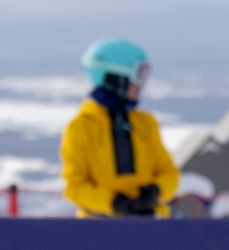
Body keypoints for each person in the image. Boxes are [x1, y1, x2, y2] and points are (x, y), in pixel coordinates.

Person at [61, 38, 179, 218]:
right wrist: (115, 203)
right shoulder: (81, 127)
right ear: (115, 78)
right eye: (139, 75)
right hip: (99, 228)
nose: (142, 84)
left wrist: (155, 192)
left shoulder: (146, 123)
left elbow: (169, 173)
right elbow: (75, 187)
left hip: (150, 222)